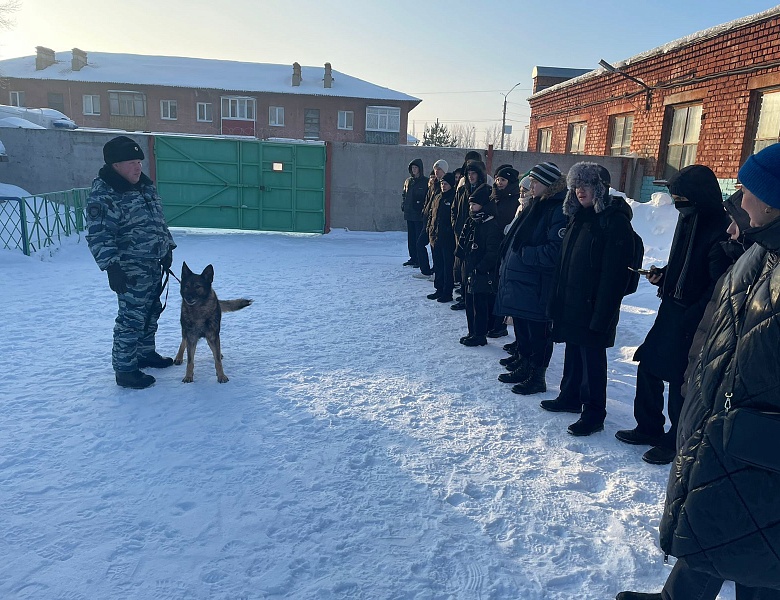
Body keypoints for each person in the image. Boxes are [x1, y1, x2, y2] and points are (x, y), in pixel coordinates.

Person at [617, 144, 780, 600]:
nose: (737, 197)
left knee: (758, 546)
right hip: (727, 424)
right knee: (716, 523)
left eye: (745, 189)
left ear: (772, 199)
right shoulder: (760, 250)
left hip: (760, 441)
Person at [615, 165, 730, 464]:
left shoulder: (720, 227)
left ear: (698, 195)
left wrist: (696, 314)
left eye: (680, 197)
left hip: (694, 318)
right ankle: (648, 426)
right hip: (671, 309)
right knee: (649, 366)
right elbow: (682, 264)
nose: (676, 202)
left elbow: (718, 283)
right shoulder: (688, 218)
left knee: (680, 380)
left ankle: (675, 439)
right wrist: (664, 276)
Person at [543, 163, 635, 436]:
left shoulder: (613, 221)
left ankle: (594, 413)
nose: (580, 191)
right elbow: (564, 263)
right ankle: (569, 397)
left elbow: (614, 275)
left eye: (586, 185)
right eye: (576, 186)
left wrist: (603, 314)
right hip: (572, 300)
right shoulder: (578, 217)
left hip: (595, 305)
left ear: (600, 188)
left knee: (592, 360)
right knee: (573, 351)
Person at [85, 136, 177, 389]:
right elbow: (99, 234)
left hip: (152, 263)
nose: (138, 167)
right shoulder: (105, 194)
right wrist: (112, 267)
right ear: (115, 165)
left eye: (139, 161)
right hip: (129, 268)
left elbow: (158, 220)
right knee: (131, 318)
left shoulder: (143, 186)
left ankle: (145, 353)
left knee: (151, 311)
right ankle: (125, 369)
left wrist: (167, 246)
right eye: (131, 163)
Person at [494, 161, 567, 395]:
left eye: (535, 182)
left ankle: (537, 376)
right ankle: (524, 367)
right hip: (523, 280)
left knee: (538, 333)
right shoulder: (537, 204)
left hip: (537, 283)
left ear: (547, 185)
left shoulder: (557, 209)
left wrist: (525, 254)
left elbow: (555, 251)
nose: (531, 186)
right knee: (524, 328)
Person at [456, 182, 502, 346]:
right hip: (468, 268)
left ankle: (480, 334)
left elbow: (492, 252)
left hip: (481, 272)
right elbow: (463, 241)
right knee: (469, 302)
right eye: (471, 204)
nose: (471, 207)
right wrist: (460, 259)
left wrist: (480, 268)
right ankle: (472, 331)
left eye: (474, 204)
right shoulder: (472, 221)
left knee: (479, 304)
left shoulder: (490, 225)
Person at [486, 165, 521, 339]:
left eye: (503, 180)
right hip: (491, 246)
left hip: (505, 247)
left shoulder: (515, 200)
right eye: (498, 179)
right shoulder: (493, 197)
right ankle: (492, 323)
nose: (499, 183)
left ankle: (500, 325)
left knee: (502, 287)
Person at [426, 171, 457, 302]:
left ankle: (447, 292)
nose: (444, 186)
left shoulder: (454, 198)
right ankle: (438, 289)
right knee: (438, 265)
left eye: (446, 184)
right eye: (442, 183)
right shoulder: (438, 197)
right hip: (435, 236)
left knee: (447, 266)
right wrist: (429, 229)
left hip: (447, 238)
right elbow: (431, 215)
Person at [401, 158, 428, 269]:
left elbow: (427, 196)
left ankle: (418, 259)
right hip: (409, 213)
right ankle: (412, 257)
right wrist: (403, 205)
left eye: (416, 168)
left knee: (418, 238)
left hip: (419, 215)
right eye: (412, 168)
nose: (414, 170)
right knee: (411, 237)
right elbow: (404, 194)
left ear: (420, 169)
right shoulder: (408, 181)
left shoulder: (425, 182)